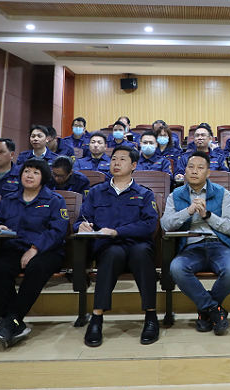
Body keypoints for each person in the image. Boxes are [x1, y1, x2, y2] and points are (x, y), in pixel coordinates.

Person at [74, 146, 160, 346]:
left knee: (142, 253)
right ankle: (96, 319)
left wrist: (117, 231)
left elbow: (149, 225)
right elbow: (80, 220)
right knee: (113, 253)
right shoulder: (96, 192)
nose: (116, 163)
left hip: (137, 244)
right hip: (107, 246)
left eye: (122, 159)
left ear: (134, 165)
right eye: (113, 159)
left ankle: (151, 317)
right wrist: (82, 226)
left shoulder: (144, 194)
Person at [0, 159, 68, 348]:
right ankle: (14, 323)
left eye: (35, 172)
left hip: (47, 251)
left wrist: (35, 248)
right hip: (15, 249)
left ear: (44, 178)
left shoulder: (54, 200)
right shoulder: (10, 199)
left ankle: (10, 320)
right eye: (26, 171)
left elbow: (57, 231)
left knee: (37, 266)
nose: (29, 175)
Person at [161, 151, 230, 336]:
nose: (194, 171)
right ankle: (214, 310)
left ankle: (205, 312)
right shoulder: (175, 195)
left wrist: (208, 216)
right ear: (185, 170)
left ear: (208, 172)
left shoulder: (223, 193)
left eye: (200, 167)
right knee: (177, 268)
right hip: (191, 247)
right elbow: (166, 225)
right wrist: (188, 211)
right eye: (190, 167)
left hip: (219, 245)